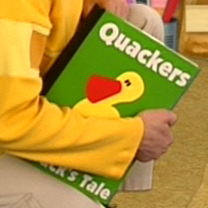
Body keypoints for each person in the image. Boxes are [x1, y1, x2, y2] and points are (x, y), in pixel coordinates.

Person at [0, 0, 177, 180]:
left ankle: (98, 188)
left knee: (141, 20)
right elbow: (9, 121)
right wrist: (131, 137)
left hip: (35, 97)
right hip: (10, 129)